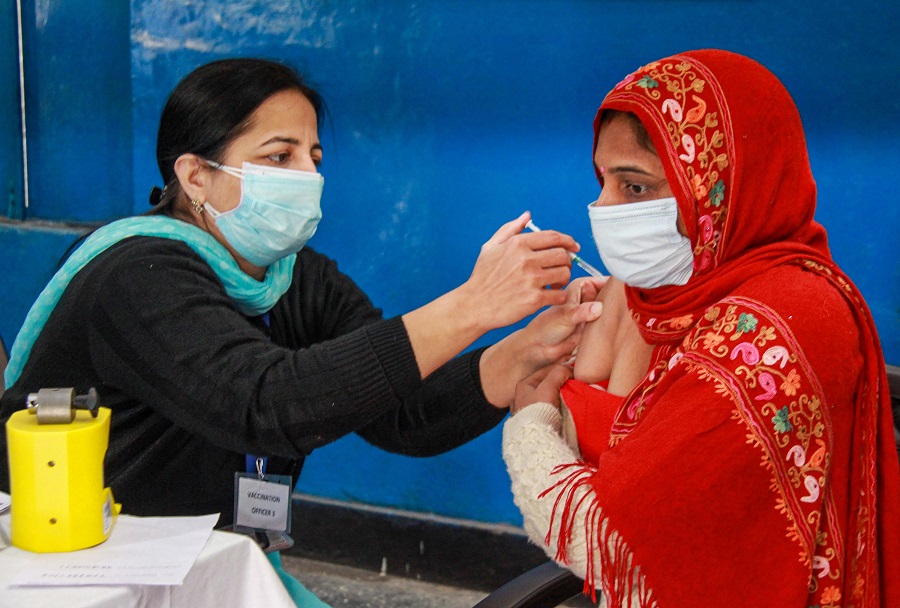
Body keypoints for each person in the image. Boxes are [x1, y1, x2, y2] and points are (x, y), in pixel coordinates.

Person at [0, 58, 602, 606]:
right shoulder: (136, 274)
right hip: (79, 568)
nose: (306, 176)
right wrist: (473, 304)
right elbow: (268, 404)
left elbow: (402, 412)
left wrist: (526, 350)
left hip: (205, 560)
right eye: (279, 156)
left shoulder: (293, 277)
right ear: (195, 176)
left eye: (313, 157)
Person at [502, 49, 900, 607]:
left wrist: (530, 426)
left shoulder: (776, 323)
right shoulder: (676, 293)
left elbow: (611, 539)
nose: (603, 209)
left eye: (635, 187)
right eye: (603, 182)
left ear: (721, 187)